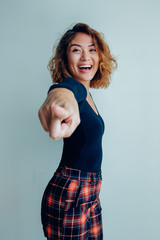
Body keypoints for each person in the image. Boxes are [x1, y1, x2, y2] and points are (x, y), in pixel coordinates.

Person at [38, 23, 117, 240]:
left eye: (92, 49)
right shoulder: (73, 86)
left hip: (90, 192)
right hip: (71, 192)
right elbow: (63, 92)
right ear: (65, 59)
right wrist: (60, 97)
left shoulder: (88, 94)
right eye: (76, 50)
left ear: (99, 56)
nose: (85, 57)